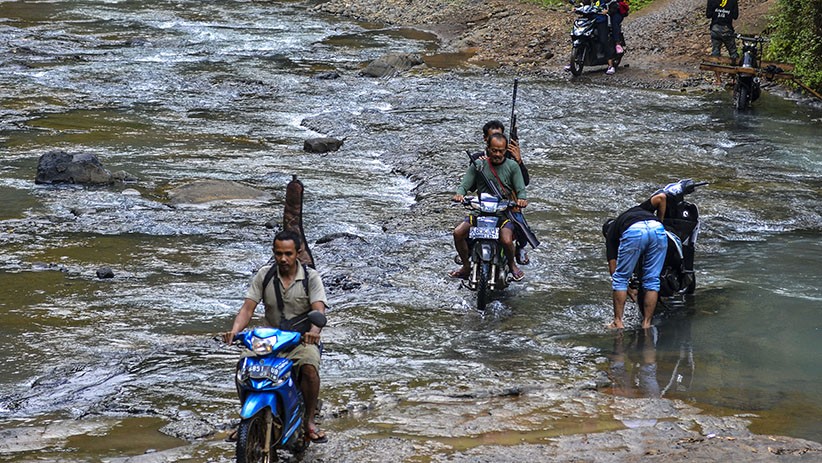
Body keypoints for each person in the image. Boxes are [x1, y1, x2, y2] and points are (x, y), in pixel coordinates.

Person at [224, 230, 329, 443]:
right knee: (244, 365)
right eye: (278, 253)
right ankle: (246, 415)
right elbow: (247, 309)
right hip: (269, 341)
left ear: (298, 253)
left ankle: (308, 421)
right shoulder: (264, 275)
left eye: (288, 254)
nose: (283, 258)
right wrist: (235, 331)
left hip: (300, 340)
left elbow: (319, 309)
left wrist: (313, 333)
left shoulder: (311, 278)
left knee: (309, 367)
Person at [451, 133, 528, 281]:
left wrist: (521, 199)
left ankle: (512, 265)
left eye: (501, 151)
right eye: (494, 150)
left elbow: (520, 189)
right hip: (480, 211)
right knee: (458, 233)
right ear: (487, 149)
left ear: (506, 150)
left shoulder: (512, 166)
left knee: (506, 239)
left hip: (503, 213)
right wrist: (459, 194)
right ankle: (466, 266)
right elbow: (465, 184)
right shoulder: (478, 165)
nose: (497, 154)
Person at [471, 120, 531, 264]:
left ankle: (520, 249)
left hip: (506, 205)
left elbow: (524, 183)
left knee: (522, 227)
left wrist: (519, 161)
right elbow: (471, 185)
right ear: (486, 139)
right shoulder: (477, 160)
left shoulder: (509, 157)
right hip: (485, 205)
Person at [603, 200, 668, 329]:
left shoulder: (611, 234)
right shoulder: (635, 210)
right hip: (658, 229)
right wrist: (660, 222)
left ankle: (618, 322)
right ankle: (646, 323)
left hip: (634, 232)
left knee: (620, 278)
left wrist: (628, 289)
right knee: (652, 279)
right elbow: (661, 197)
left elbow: (613, 270)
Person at [706, 0, 739, 85]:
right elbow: (735, 16)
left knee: (715, 53)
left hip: (715, 29)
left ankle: (718, 80)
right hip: (727, 29)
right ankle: (734, 79)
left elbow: (708, 15)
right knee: (733, 53)